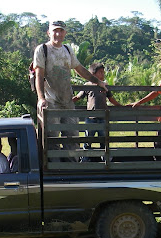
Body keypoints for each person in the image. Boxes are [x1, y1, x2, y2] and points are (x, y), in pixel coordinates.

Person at [33, 20, 108, 159]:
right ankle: (55, 171)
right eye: (55, 30)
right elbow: (39, 75)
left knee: (72, 137)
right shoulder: (43, 50)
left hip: (67, 102)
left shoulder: (67, 50)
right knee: (52, 138)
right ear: (49, 32)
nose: (58, 33)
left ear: (65, 33)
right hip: (51, 102)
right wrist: (41, 98)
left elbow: (80, 69)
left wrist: (98, 82)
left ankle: (71, 169)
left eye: (61, 30)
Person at [72, 63, 121, 157]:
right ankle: (85, 158)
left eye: (103, 72)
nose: (103, 74)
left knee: (104, 140)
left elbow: (111, 99)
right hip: (91, 118)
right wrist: (68, 102)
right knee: (88, 140)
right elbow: (78, 97)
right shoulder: (87, 85)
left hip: (103, 117)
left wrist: (120, 105)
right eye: (100, 72)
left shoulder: (105, 86)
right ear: (93, 74)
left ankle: (105, 159)